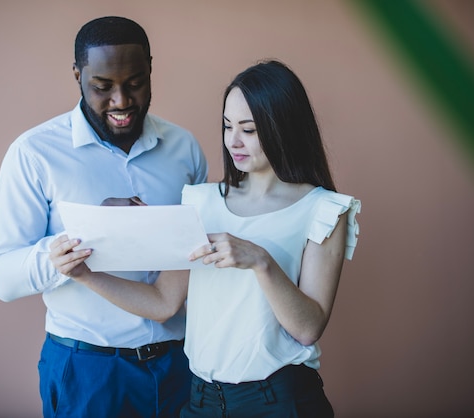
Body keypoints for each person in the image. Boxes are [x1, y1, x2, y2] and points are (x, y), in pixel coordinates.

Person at [51, 60, 361, 417]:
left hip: (278, 399)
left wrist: (261, 261)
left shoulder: (323, 210)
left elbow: (308, 329)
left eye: (249, 129)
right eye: (228, 126)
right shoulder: (200, 201)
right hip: (201, 400)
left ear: (283, 129)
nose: (233, 141)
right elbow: (164, 302)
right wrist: (84, 275)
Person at [0, 16, 208, 418]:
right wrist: (81, 237)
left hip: (180, 365)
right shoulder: (34, 154)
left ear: (151, 69)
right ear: (78, 75)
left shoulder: (184, 149)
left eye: (135, 83)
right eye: (102, 87)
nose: (121, 101)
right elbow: (0, 276)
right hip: (87, 372)